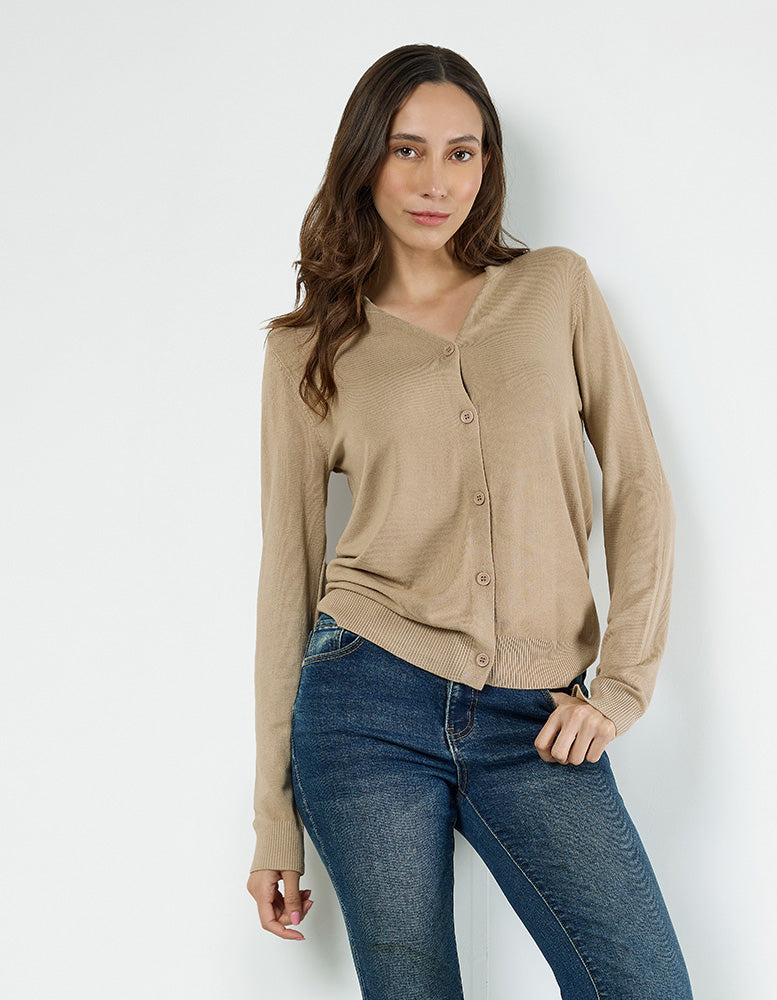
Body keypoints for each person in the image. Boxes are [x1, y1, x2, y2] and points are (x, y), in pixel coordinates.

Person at [245, 42, 693, 1000]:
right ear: (364, 157)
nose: (435, 181)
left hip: (538, 717)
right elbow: (289, 575)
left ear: (488, 165)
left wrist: (621, 688)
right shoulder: (308, 348)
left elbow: (638, 485)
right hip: (364, 704)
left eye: (462, 152)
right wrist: (272, 818)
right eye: (406, 149)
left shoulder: (554, 289)